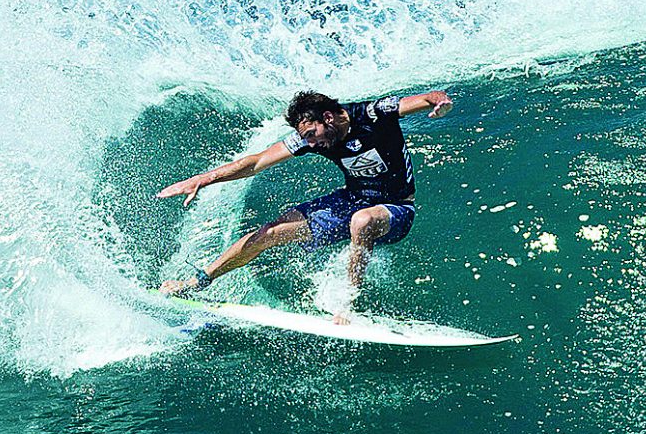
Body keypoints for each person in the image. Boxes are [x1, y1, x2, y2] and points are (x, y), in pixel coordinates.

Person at [158, 88, 453, 319]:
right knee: (269, 232)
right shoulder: (311, 138)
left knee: (362, 221)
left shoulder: (372, 114)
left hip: (396, 208)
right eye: (305, 138)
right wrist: (204, 179)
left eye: (311, 134)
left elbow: (426, 99)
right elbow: (257, 161)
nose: (310, 144)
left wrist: (440, 102)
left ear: (327, 118)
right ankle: (198, 282)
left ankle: (346, 305)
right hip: (352, 200)